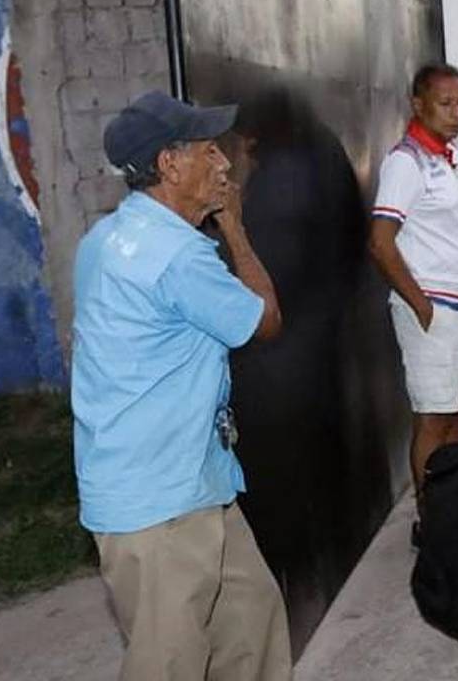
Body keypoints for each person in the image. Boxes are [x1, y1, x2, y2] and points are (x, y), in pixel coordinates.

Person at [71, 90, 290, 681]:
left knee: (251, 622)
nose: (224, 164)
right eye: (208, 151)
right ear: (169, 165)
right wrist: (236, 230)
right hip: (159, 503)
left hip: (191, 483)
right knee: (168, 662)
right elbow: (264, 320)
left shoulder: (104, 241)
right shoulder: (176, 257)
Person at [368, 63, 458, 521]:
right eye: (445, 103)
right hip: (435, 313)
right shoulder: (406, 162)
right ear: (418, 104)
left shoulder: (446, 158)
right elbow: (380, 242)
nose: (456, 113)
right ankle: (431, 522)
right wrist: (422, 306)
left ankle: (454, 511)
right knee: (433, 419)